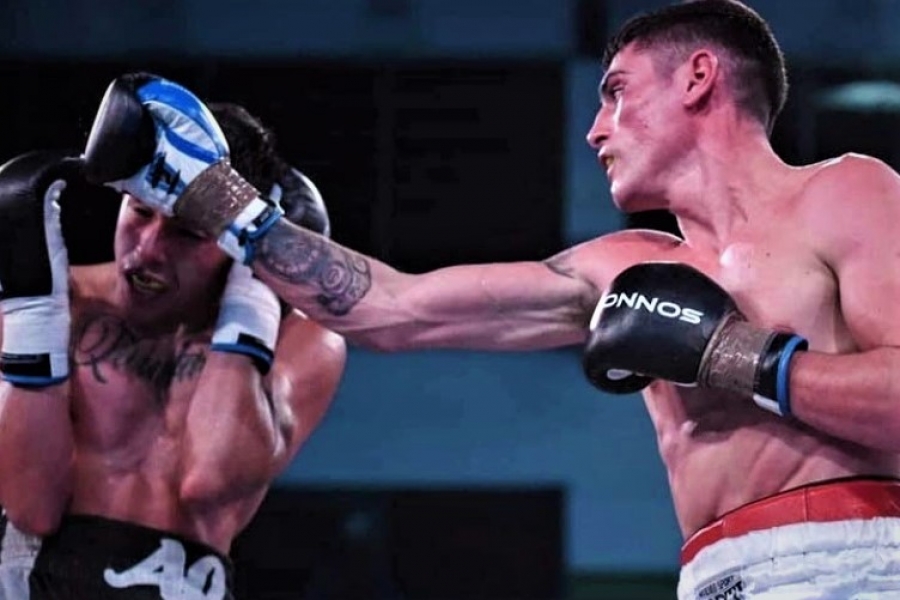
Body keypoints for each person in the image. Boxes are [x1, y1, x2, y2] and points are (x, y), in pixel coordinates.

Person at [82, 1, 900, 597]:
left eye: (616, 91)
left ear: (698, 76)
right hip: (713, 573)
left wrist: (733, 356)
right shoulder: (621, 266)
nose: (596, 129)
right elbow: (392, 309)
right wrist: (218, 200)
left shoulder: (842, 193)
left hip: (858, 556)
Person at [0, 103, 346, 598]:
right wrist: (32, 315)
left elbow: (211, 478)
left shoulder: (301, 339)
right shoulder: (57, 308)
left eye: (188, 233)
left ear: (238, 240)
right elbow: (31, 506)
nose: (148, 250)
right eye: (140, 212)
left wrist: (255, 299)